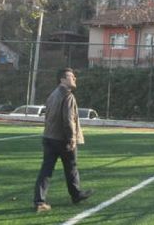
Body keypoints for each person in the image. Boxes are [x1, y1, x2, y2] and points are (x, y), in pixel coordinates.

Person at [34, 68, 93, 212]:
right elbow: (68, 120)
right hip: (62, 139)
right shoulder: (68, 96)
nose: (74, 78)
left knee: (46, 170)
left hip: (49, 137)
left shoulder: (52, 95)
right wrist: (72, 138)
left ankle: (39, 201)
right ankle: (76, 195)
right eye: (71, 76)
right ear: (62, 79)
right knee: (71, 167)